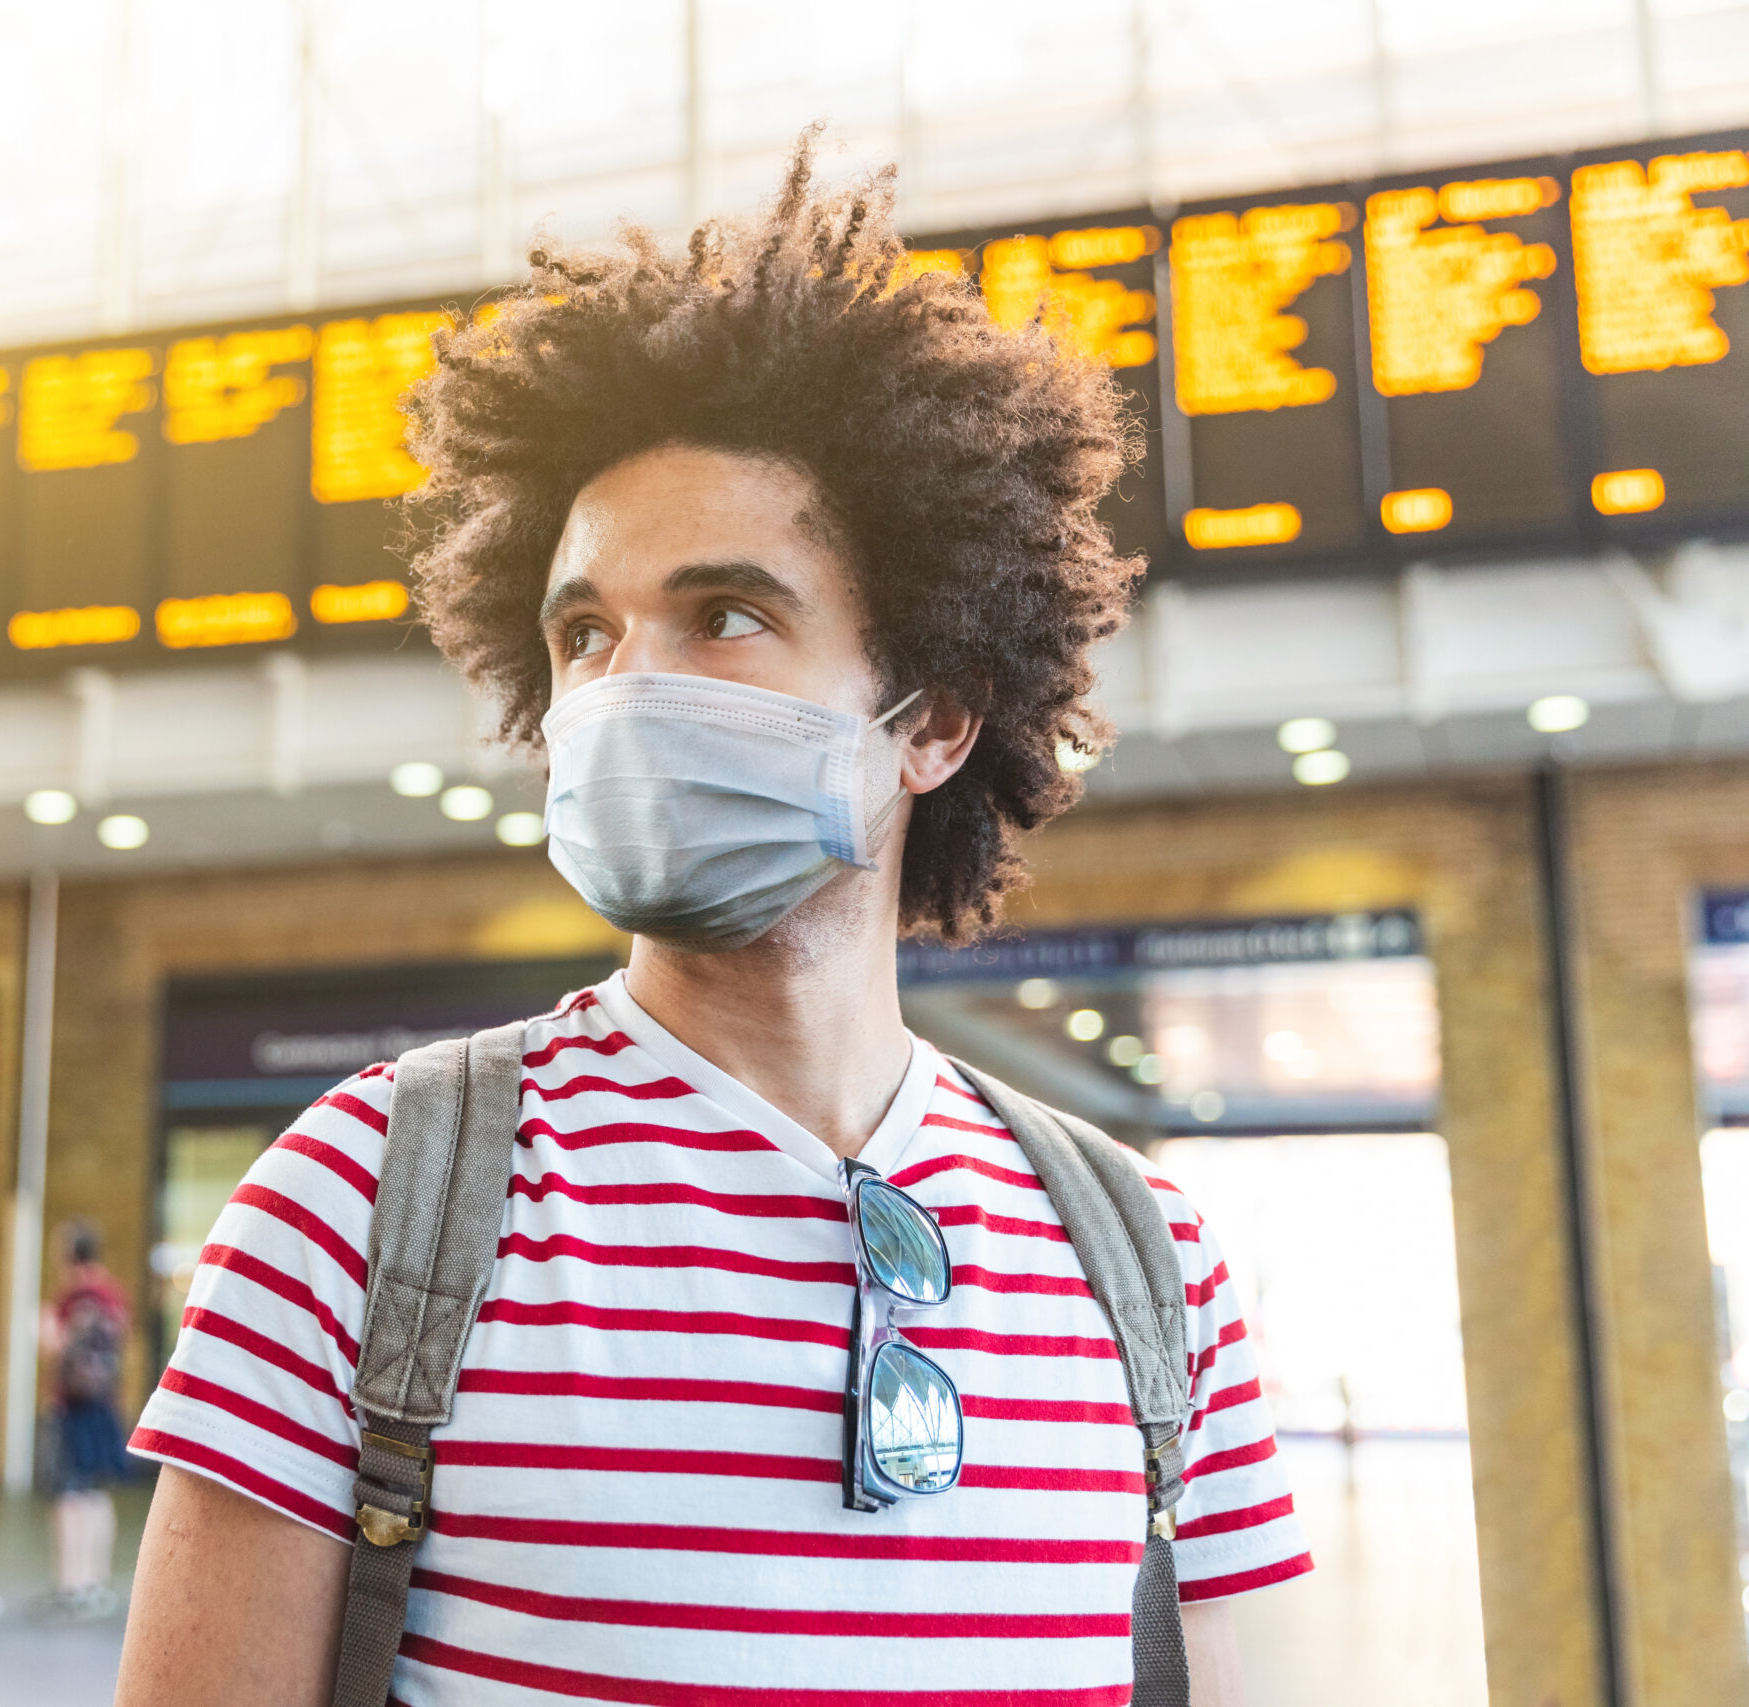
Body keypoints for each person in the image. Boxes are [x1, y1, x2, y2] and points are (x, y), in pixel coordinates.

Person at [115, 136, 1311, 1707]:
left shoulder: (1154, 1267)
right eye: (585, 630)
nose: (624, 688)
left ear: (932, 716)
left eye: (727, 615)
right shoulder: (361, 1206)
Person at [44, 1222, 130, 1610]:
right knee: (96, 1493)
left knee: (68, 1495)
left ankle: (71, 1583)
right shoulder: (112, 1294)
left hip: (74, 1406)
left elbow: (55, 1346)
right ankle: (94, 1581)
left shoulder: (72, 1297)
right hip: (104, 1405)